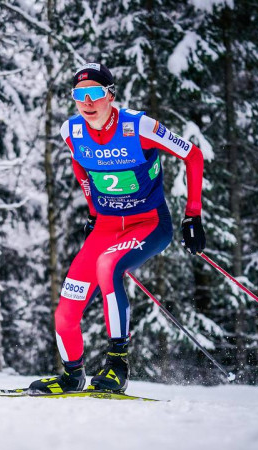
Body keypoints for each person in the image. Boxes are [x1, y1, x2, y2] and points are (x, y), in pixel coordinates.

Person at [29, 62, 206, 394]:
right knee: (67, 308)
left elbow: (193, 156)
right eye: (79, 95)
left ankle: (117, 365)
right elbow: (80, 167)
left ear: (110, 95)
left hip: (149, 224)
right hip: (106, 229)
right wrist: (94, 210)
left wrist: (192, 215)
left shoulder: (138, 126)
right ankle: (71, 375)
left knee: (107, 266)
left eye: (95, 93)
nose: (87, 102)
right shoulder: (72, 131)